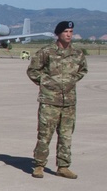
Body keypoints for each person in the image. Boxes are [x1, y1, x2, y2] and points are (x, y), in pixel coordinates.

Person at [27, 21, 87, 179]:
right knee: (45, 134)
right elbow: (33, 70)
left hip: (69, 102)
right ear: (58, 33)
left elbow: (83, 70)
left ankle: (63, 166)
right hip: (49, 101)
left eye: (71, 31)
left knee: (66, 135)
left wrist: (71, 80)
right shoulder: (47, 52)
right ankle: (39, 165)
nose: (69, 34)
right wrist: (46, 83)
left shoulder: (77, 53)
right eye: (66, 31)